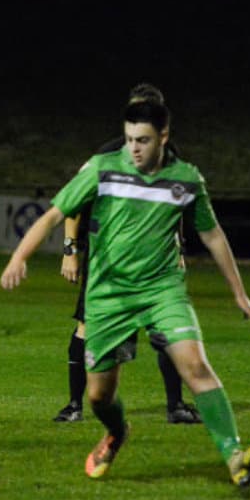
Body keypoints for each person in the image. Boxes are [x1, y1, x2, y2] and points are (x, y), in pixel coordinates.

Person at [1, 100, 250, 488]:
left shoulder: (186, 179)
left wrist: (239, 294)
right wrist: (19, 257)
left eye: (143, 140)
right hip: (108, 295)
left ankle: (235, 458)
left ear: (164, 137)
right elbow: (54, 214)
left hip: (162, 290)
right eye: (129, 139)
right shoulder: (103, 168)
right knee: (98, 396)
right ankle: (116, 432)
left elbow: (212, 235)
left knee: (195, 366)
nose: (134, 148)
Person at [54, 83, 199, 425]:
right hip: (109, 260)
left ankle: (176, 407)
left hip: (154, 261)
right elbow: (74, 202)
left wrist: (178, 247)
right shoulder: (108, 155)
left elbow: (174, 206)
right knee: (88, 326)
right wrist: (70, 250)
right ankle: (74, 406)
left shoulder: (169, 157)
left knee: (165, 331)